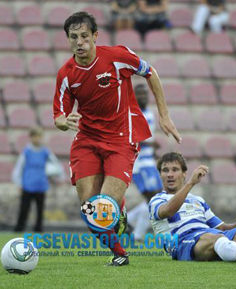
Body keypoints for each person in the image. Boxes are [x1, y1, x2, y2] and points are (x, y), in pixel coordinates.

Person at [53, 11, 181, 266]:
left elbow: (150, 72)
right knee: (90, 211)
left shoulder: (116, 57)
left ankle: (119, 212)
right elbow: (58, 114)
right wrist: (63, 122)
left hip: (121, 139)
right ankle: (120, 252)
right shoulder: (66, 74)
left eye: (84, 36)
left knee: (105, 208)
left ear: (95, 36)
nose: (79, 42)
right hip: (87, 140)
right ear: (68, 40)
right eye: (73, 37)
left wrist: (164, 116)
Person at [127, 84, 163, 241]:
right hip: (139, 163)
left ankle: (128, 221)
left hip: (149, 161)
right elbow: (131, 137)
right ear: (133, 96)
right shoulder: (133, 114)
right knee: (153, 199)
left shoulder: (149, 113)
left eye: (144, 94)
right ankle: (138, 234)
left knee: (157, 198)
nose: (142, 96)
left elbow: (149, 135)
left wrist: (154, 152)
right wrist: (150, 143)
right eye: (139, 94)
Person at [12, 127, 64, 232]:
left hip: (41, 185)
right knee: (24, 209)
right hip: (27, 185)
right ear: (31, 137)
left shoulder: (46, 152)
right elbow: (19, 168)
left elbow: (56, 165)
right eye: (35, 136)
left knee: (40, 210)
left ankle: (38, 229)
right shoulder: (26, 152)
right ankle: (19, 228)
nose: (38, 139)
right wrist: (18, 183)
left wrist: (60, 176)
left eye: (40, 136)